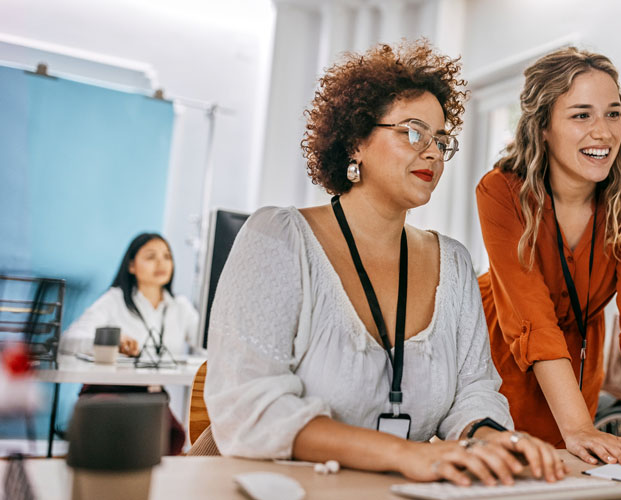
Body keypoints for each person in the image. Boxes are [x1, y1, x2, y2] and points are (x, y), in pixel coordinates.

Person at [203, 39, 566, 485]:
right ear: (356, 141)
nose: (432, 151)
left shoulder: (452, 263)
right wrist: (406, 455)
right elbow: (251, 408)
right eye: (414, 132)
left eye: (441, 140)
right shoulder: (278, 238)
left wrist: (493, 439)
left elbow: (473, 393)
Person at [476, 47, 621, 467]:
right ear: (543, 126)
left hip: (579, 357)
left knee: (578, 473)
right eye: (582, 115)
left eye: (613, 114)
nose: (603, 132)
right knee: (513, 475)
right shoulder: (501, 191)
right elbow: (532, 320)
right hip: (502, 352)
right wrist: (578, 426)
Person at [61, 232, 199, 455]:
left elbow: (208, 344)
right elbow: (69, 341)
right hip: (107, 391)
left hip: (152, 397)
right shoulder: (114, 300)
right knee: (125, 440)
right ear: (132, 266)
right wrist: (111, 341)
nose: (161, 263)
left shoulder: (180, 307)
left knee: (173, 439)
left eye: (167, 257)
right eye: (151, 256)